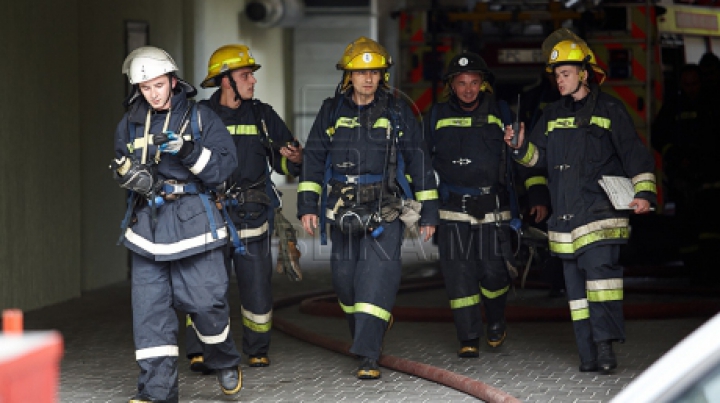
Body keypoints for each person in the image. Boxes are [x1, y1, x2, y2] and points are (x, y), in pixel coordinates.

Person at [504, 30, 656, 374]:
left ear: (584, 74)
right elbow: (536, 159)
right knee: (576, 295)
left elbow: (634, 154)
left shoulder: (611, 110)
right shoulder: (552, 114)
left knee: (601, 285)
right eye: (556, 75)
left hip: (601, 216)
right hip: (565, 221)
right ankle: (588, 355)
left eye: (566, 73)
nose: (560, 80)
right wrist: (519, 147)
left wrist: (644, 194)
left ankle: (605, 351)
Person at [297, 36, 439, 380]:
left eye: (374, 72)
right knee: (345, 284)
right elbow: (314, 159)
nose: (368, 78)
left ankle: (368, 356)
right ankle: (370, 331)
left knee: (375, 281)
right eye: (361, 72)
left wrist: (429, 212)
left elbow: (417, 161)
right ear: (349, 76)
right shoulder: (331, 110)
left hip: (384, 209)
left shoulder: (398, 111)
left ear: (382, 75)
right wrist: (307, 206)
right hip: (342, 210)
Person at [110, 46, 242, 402]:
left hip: (195, 223)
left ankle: (224, 358)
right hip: (148, 228)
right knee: (150, 315)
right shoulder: (130, 122)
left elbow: (223, 169)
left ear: (172, 80)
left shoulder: (201, 119)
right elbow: (122, 162)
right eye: (145, 88)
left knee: (206, 304)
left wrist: (187, 151)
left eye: (158, 85)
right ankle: (158, 393)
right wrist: (130, 176)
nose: (153, 94)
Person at [183, 44, 303, 371]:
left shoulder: (262, 115)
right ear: (226, 81)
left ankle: (257, 349)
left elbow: (285, 162)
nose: (253, 81)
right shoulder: (200, 118)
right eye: (245, 75)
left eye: (251, 75)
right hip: (210, 217)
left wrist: (294, 159)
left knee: (257, 290)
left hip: (252, 216)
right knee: (206, 290)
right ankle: (201, 349)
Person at [425, 52, 549, 358]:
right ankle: (468, 337)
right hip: (452, 209)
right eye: (462, 83)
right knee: (459, 277)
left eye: (474, 82)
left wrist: (537, 196)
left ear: (484, 85)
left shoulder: (501, 112)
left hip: (493, 209)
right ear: (451, 85)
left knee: (495, 274)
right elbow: (420, 164)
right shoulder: (435, 115)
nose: (468, 89)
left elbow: (520, 155)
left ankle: (495, 319)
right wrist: (424, 210)